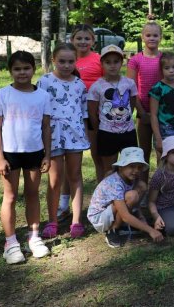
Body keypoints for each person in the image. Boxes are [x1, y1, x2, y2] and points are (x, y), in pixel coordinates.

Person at [0, 51, 52, 264]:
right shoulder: (1, 95)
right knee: (11, 196)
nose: (22, 72)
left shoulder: (43, 96)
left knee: (33, 194)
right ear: (10, 71)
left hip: (35, 153)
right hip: (10, 154)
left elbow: (46, 127)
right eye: (17, 69)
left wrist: (48, 155)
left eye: (26, 68)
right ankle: (11, 243)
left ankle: (34, 238)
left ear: (34, 70)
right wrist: (0, 158)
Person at [38, 43, 89, 240]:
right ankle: (53, 220)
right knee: (55, 179)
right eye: (62, 61)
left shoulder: (79, 84)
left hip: (74, 136)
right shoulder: (44, 82)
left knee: (75, 175)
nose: (66, 65)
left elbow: (83, 112)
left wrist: (84, 134)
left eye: (70, 61)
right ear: (53, 60)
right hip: (52, 137)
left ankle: (76, 220)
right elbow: (40, 111)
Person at [58, 24, 102, 217]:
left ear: (93, 41)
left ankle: (103, 198)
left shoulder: (99, 59)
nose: (83, 42)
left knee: (98, 156)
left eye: (87, 39)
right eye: (79, 38)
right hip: (69, 115)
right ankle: (63, 201)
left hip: (95, 113)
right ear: (72, 40)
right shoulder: (67, 59)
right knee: (70, 162)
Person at [86, 147, 163, 248]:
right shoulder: (115, 182)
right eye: (132, 166)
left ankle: (125, 224)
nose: (136, 170)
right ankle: (113, 230)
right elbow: (125, 215)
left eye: (139, 167)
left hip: (110, 212)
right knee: (132, 196)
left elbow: (135, 205)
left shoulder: (130, 178)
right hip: (99, 218)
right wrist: (150, 230)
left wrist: (141, 217)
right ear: (121, 167)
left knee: (142, 186)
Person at [87, 45, 139, 179]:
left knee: (132, 166)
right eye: (108, 62)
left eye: (116, 61)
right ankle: (107, 197)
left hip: (128, 132)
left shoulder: (129, 83)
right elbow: (92, 112)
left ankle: (129, 196)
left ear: (122, 63)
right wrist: (101, 130)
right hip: (107, 133)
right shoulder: (96, 86)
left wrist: (124, 120)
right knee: (109, 169)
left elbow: (131, 104)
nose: (112, 65)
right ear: (102, 64)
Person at [126, 21, 163, 186]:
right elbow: (131, 87)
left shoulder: (164, 58)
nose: (152, 38)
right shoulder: (135, 60)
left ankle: (162, 185)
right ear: (142, 37)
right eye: (148, 35)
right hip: (143, 111)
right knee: (144, 150)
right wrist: (141, 112)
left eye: (155, 35)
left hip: (162, 112)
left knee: (162, 150)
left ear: (160, 37)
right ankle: (142, 187)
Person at [149, 52, 174, 157]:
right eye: (167, 68)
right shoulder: (157, 88)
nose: (171, 70)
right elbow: (153, 115)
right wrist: (158, 137)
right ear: (161, 70)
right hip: (163, 130)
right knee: (163, 159)